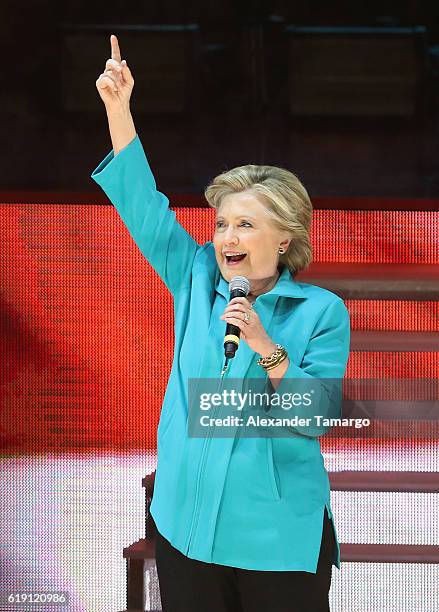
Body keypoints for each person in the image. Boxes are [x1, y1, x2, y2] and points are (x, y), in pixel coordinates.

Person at [92, 34, 350, 612]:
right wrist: (118, 110)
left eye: (246, 225)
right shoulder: (195, 277)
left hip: (275, 539)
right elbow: (143, 207)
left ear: (285, 237)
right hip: (186, 528)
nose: (227, 237)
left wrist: (266, 345)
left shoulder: (320, 312)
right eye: (223, 223)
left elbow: (318, 417)